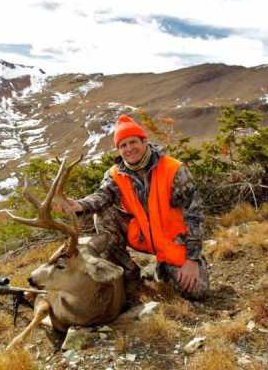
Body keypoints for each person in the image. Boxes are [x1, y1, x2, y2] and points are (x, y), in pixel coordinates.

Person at [63, 114, 209, 300]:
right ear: (118, 149)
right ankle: (128, 273)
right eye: (123, 145)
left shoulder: (174, 169)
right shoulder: (115, 174)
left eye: (133, 142)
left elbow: (194, 215)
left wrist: (192, 260)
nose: (129, 149)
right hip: (142, 237)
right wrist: (78, 205)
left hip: (172, 241)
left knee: (197, 292)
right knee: (103, 213)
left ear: (145, 141)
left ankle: (162, 268)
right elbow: (102, 197)